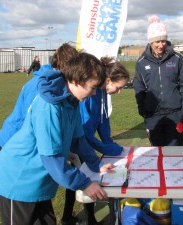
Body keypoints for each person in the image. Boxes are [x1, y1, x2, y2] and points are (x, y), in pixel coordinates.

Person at [0, 52, 115, 225]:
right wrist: (85, 184)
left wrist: (97, 166)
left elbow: (79, 141)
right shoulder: (49, 107)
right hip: (18, 182)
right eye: (92, 87)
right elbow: (52, 158)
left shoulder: (73, 102)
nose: (94, 93)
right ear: (76, 81)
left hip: (39, 185)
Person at [63, 57, 130, 225]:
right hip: (78, 144)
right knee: (86, 179)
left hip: (86, 143)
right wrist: (104, 148)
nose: (119, 91)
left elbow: (103, 122)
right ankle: (90, 219)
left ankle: (66, 217)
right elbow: (84, 132)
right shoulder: (90, 94)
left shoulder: (101, 93)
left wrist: (109, 144)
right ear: (108, 80)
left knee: (77, 178)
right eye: (118, 87)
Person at [0, 43, 77, 153]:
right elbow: (32, 121)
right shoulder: (40, 86)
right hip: (13, 143)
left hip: (31, 144)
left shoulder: (57, 84)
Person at [134, 15, 183, 146]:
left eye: (163, 41)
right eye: (157, 41)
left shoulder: (177, 59)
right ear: (150, 42)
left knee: (175, 153)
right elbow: (139, 88)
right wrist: (143, 110)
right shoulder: (141, 62)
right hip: (152, 116)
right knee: (157, 154)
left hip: (175, 115)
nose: (161, 45)